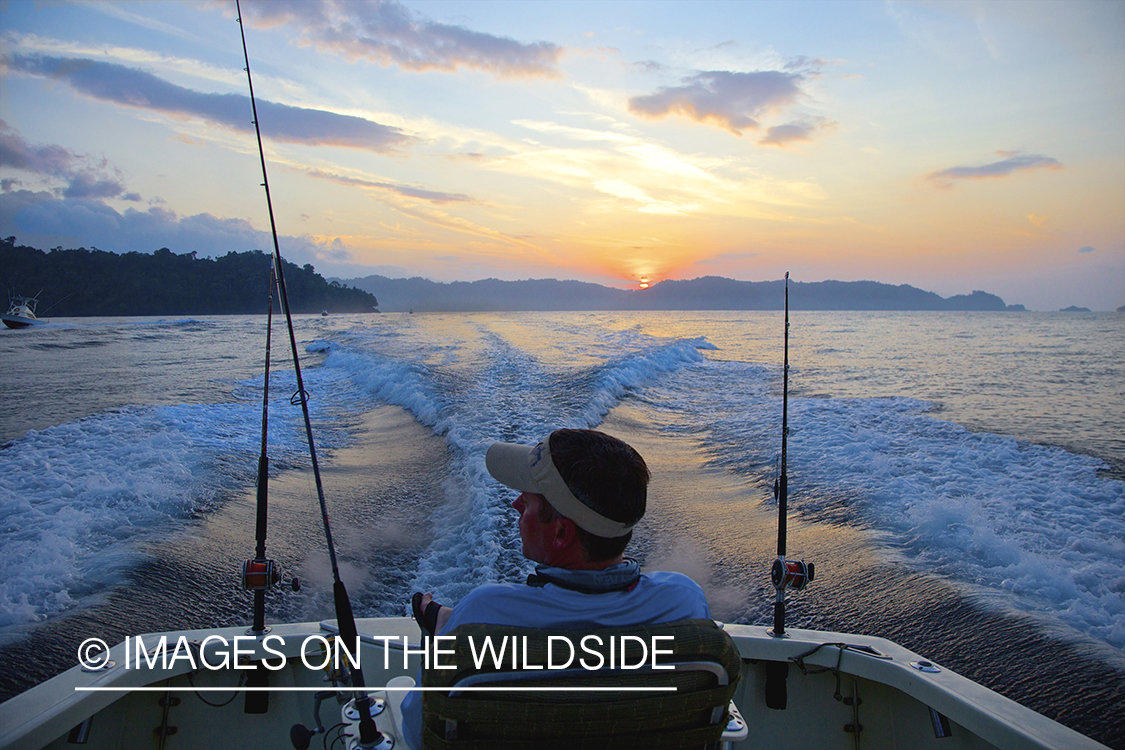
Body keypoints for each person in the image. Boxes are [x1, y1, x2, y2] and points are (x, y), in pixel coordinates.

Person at [400, 428, 711, 749]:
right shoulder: (683, 603)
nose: (515, 504)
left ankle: (442, 622)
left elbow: (415, 730)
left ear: (561, 532)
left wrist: (443, 640)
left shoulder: (484, 612)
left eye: (529, 500)